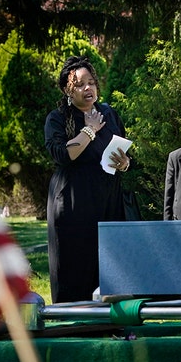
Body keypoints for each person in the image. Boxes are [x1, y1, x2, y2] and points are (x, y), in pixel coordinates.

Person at [44, 56, 130, 303]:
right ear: (67, 90)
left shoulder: (108, 113)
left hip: (108, 198)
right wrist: (89, 129)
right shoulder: (58, 118)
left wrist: (124, 163)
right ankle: (74, 323)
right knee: (75, 264)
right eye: (80, 84)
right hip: (73, 202)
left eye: (91, 82)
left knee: (110, 265)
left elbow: (123, 152)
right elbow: (64, 154)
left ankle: (110, 323)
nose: (88, 88)